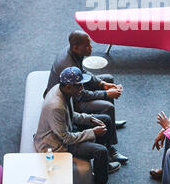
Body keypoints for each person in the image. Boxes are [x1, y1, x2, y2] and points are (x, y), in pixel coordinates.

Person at [34, 66, 121, 184]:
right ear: (68, 86)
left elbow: (71, 115)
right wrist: (93, 132)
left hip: (64, 131)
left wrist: (90, 119)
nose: (82, 88)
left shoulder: (62, 90)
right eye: (79, 85)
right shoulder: (56, 106)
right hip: (55, 145)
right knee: (101, 151)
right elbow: (66, 138)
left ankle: (103, 166)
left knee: (105, 119)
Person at [44, 30, 128, 164]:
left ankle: (109, 124)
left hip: (73, 88)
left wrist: (102, 84)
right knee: (107, 106)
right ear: (76, 47)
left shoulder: (74, 51)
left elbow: (82, 72)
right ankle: (110, 146)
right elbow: (81, 94)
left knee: (109, 79)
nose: (91, 47)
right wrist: (106, 93)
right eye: (88, 45)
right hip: (72, 97)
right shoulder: (68, 65)